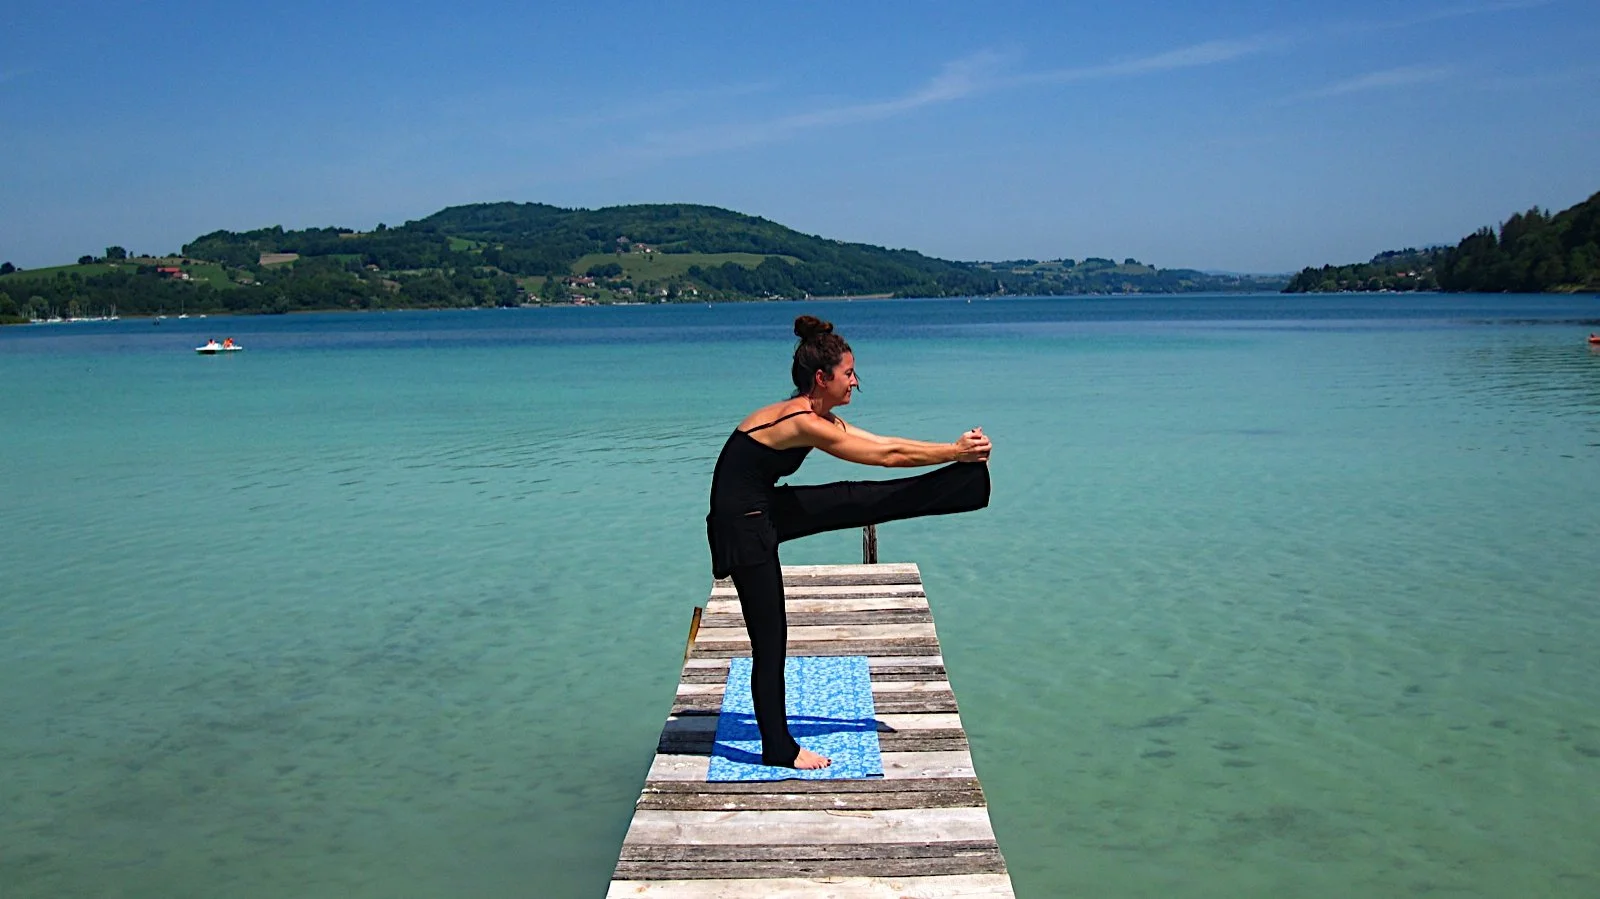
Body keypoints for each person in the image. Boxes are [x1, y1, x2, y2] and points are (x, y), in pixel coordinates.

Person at [706, 315, 992, 769]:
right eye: (849, 373)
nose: (856, 382)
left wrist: (952, 456)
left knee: (853, 498)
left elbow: (882, 445)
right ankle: (778, 748)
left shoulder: (811, 413)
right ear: (822, 378)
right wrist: (954, 450)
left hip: (762, 508)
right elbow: (886, 454)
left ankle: (966, 486)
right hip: (743, 526)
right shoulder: (804, 421)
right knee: (770, 639)